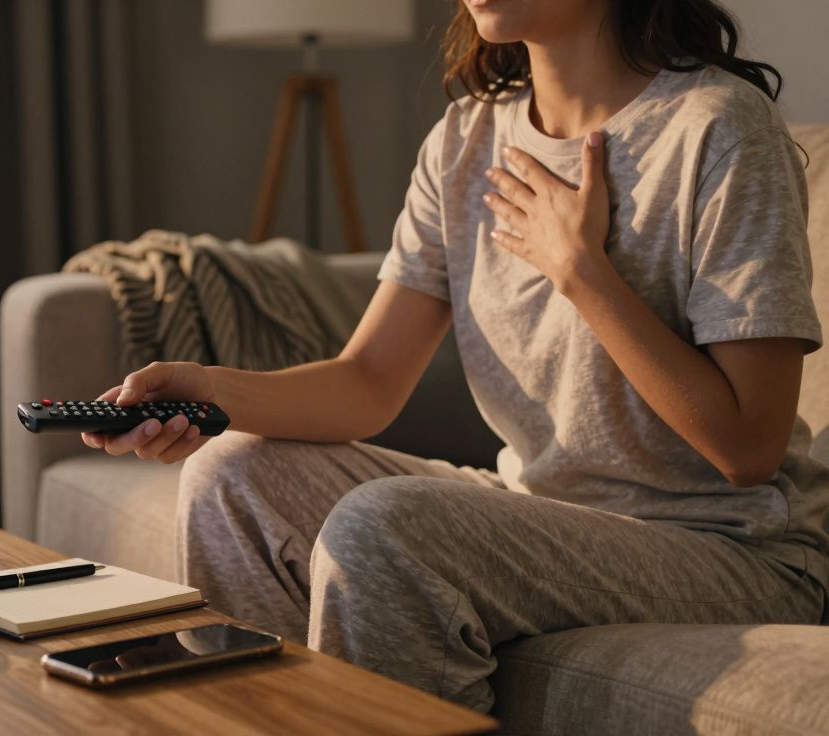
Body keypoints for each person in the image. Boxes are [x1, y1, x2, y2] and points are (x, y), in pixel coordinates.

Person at [80, 0, 828, 712]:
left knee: (383, 526)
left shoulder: (721, 129)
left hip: (728, 546)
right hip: (546, 512)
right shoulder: (468, 137)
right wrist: (207, 390)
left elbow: (749, 447)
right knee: (229, 477)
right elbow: (367, 383)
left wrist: (583, 271)